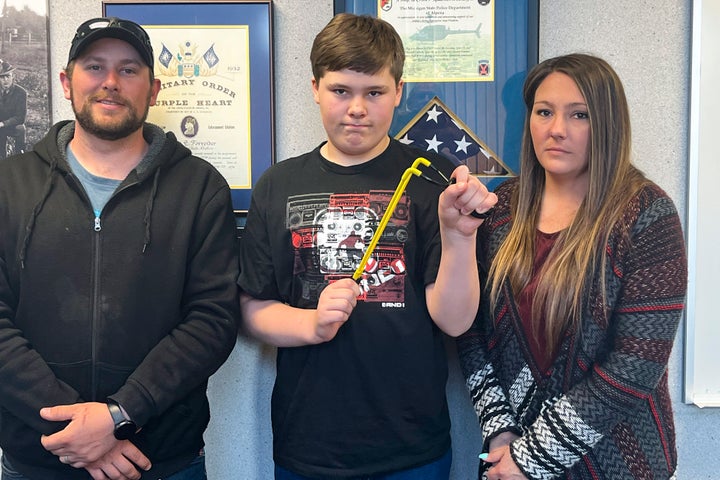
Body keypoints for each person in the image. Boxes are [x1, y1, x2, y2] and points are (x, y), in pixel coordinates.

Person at [237, 13, 496, 480]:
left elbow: (455, 321)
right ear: (315, 87)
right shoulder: (278, 184)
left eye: (374, 92)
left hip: (412, 447)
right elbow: (253, 308)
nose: (357, 108)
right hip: (308, 445)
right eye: (341, 91)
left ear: (398, 92)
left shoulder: (433, 177)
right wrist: (312, 324)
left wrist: (460, 236)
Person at [0, 17, 240, 480]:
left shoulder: (200, 188)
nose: (110, 83)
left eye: (129, 70)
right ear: (67, 82)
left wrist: (118, 414)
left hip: (160, 460)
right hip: (40, 457)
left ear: (153, 90)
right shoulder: (9, 185)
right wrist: (77, 426)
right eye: (95, 67)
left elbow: (213, 320)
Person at [457, 53, 687, 480]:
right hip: (509, 460)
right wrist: (500, 432)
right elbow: (474, 329)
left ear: (607, 123)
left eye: (578, 114)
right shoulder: (503, 206)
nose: (556, 129)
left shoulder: (647, 215)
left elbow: (636, 366)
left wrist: (532, 459)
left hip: (618, 461)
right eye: (544, 112)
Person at [0, 60, 27, 159]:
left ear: (13, 77)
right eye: (2, 77)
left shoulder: (21, 93)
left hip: (12, 125)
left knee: (21, 128)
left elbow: (20, 118)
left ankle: (20, 156)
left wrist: (3, 124)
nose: (5, 80)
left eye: (8, 76)